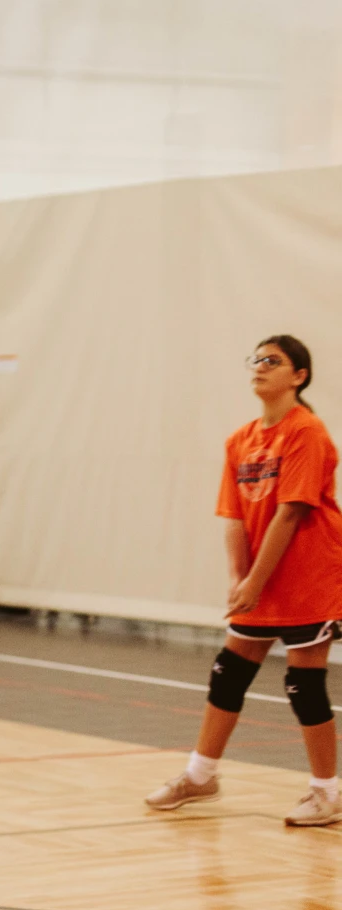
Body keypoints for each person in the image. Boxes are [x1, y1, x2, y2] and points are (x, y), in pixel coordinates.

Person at [145, 336, 342, 827]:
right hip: (261, 580)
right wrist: (240, 578)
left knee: (304, 684)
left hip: (309, 578)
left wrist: (254, 579)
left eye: (273, 360)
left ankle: (327, 792)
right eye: (256, 359)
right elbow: (233, 516)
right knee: (228, 673)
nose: (260, 366)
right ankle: (200, 776)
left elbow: (291, 512)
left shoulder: (306, 431)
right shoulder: (240, 440)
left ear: (299, 376)